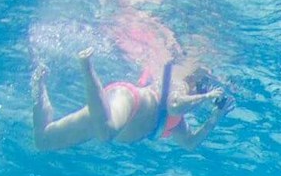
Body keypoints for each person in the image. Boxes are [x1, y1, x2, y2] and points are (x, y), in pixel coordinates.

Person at [31, 48, 230, 151]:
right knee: (106, 130)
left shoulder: (177, 124)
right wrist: (205, 97)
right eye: (203, 86)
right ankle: (86, 67)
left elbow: (190, 143)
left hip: (110, 113)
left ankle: (38, 85)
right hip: (128, 101)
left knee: (44, 140)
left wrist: (216, 116)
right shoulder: (181, 83)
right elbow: (175, 105)